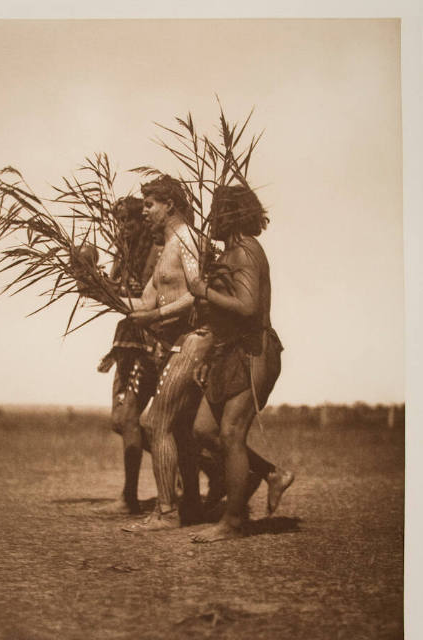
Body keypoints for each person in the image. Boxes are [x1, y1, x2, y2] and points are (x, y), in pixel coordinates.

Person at [187, 184, 294, 543]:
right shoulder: (229, 252)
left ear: (230, 214)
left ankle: (233, 523)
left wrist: (203, 292)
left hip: (254, 351)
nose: (209, 218)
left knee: (232, 432)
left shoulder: (245, 250)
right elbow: (225, 317)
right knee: (204, 430)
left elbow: (247, 308)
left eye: (216, 211)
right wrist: (212, 354)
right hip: (230, 351)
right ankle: (271, 473)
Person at [120, 175, 215, 532]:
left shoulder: (186, 240)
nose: (144, 212)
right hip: (181, 342)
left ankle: (167, 511)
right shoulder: (167, 249)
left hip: (195, 340)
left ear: (170, 205)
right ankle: (187, 506)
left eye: (149, 205)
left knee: (153, 422)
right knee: (179, 427)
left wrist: (156, 316)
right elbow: (143, 302)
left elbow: (198, 294)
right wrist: (94, 289)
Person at [77, 196, 160, 515]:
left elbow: (145, 299)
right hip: (128, 342)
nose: (124, 226)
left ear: (142, 221)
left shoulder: (155, 251)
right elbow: (116, 290)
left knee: (128, 419)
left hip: (149, 341)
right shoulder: (124, 254)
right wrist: (89, 277)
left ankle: (130, 498)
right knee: (120, 421)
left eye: (130, 220)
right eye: (120, 221)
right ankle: (196, 467)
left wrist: (105, 288)